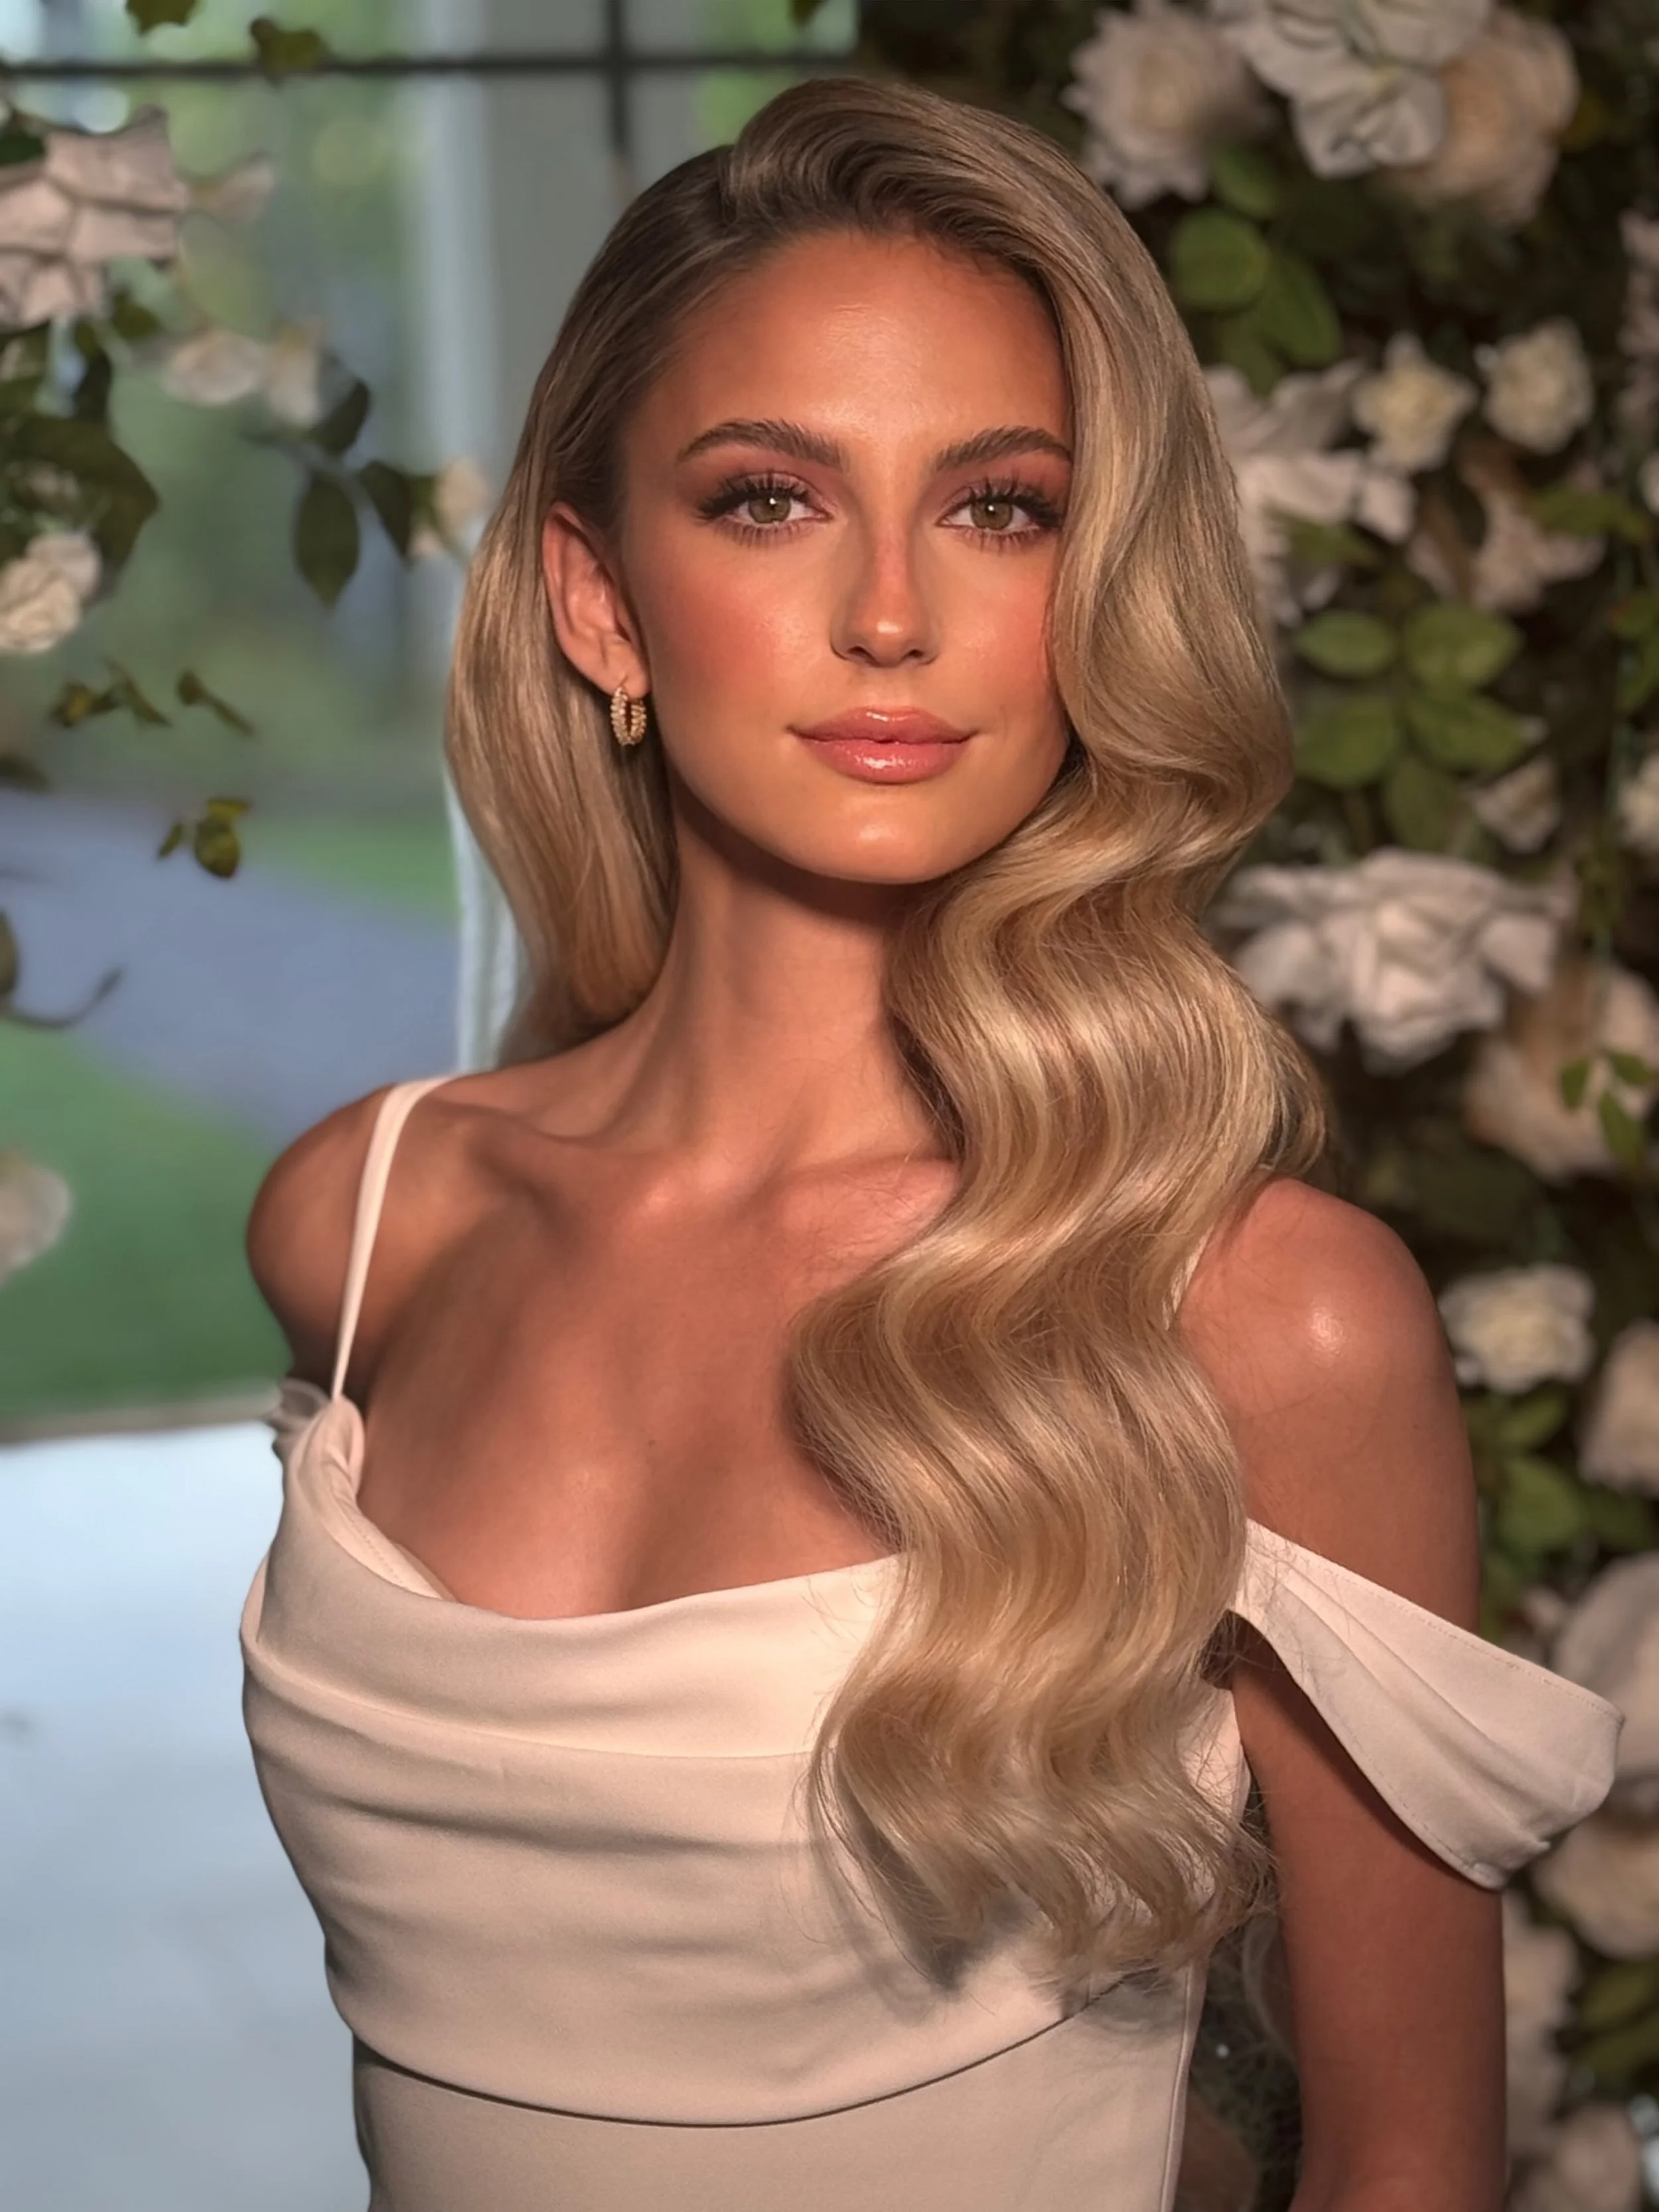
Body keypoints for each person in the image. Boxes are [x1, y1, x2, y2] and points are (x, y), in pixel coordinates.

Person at [240, 75, 1621, 2212]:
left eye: (998, 508)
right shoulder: (369, 1217)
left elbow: (1410, 2164)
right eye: (772, 500)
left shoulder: (1257, 1318)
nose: (893, 613)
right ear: (599, 606)